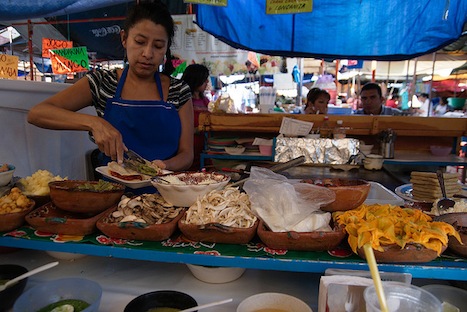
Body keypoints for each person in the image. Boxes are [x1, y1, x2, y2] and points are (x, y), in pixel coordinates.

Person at [27, 1, 194, 173]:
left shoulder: (178, 90)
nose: (148, 54)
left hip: (166, 193)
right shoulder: (103, 82)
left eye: (158, 46)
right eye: (140, 42)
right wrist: (94, 123)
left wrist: (163, 167)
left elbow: (186, 154)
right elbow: (37, 113)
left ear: (166, 48)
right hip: (112, 195)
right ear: (124, 38)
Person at [181, 63, 210, 170]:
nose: (207, 82)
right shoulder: (183, 101)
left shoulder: (205, 101)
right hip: (188, 147)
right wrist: (195, 130)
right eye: (204, 79)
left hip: (205, 147)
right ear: (196, 80)